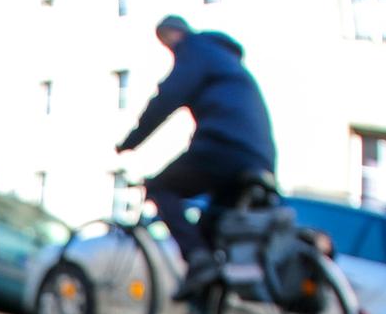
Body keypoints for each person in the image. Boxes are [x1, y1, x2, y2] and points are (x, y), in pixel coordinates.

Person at [116, 15, 277, 297]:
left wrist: (130, 142)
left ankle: (199, 262)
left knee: (160, 187)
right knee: (210, 232)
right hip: (258, 157)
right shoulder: (225, 58)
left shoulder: (195, 49)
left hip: (225, 146)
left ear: (173, 34)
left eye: (166, 41)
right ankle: (206, 309)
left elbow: (167, 97)